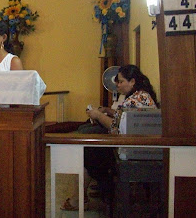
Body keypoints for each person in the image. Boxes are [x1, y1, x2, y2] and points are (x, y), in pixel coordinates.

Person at [62, 64, 158, 211]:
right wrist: (106, 111)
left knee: (88, 145)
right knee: (85, 131)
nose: (117, 85)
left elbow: (117, 128)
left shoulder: (139, 98)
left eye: (121, 81)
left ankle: (103, 189)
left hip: (131, 147)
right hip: (127, 141)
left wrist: (99, 116)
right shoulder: (138, 95)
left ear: (132, 81)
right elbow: (122, 116)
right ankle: (94, 189)